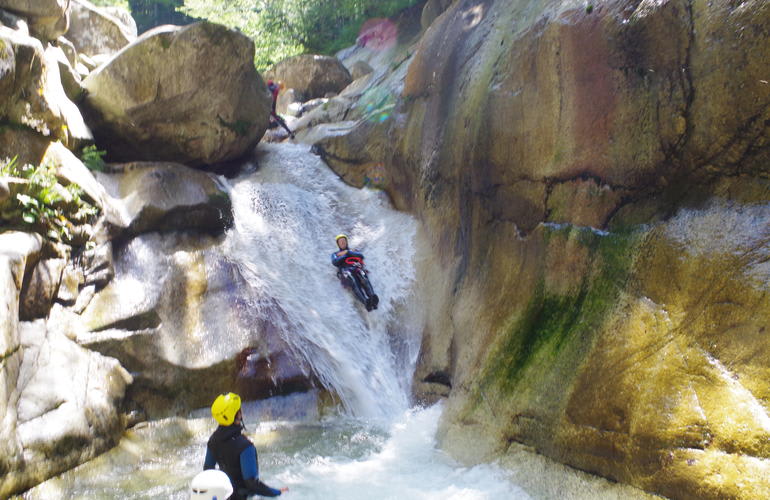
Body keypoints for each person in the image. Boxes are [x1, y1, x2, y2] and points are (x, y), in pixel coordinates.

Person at [204, 393, 288, 499]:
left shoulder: (213, 440)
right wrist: (277, 492)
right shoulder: (245, 446)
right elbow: (252, 484)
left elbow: (207, 471)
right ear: (238, 415)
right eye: (239, 410)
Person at [331, 234, 379, 311]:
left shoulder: (352, 251)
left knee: (363, 276)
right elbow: (335, 262)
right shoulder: (335, 254)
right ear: (338, 244)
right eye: (340, 242)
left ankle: (373, 297)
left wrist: (347, 252)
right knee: (353, 279)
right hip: (346, 271)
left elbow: (361, 256)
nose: (342, 242)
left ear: (346, 242)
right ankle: (365, 301)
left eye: (344, 241)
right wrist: (346, 255)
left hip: (357, 268)